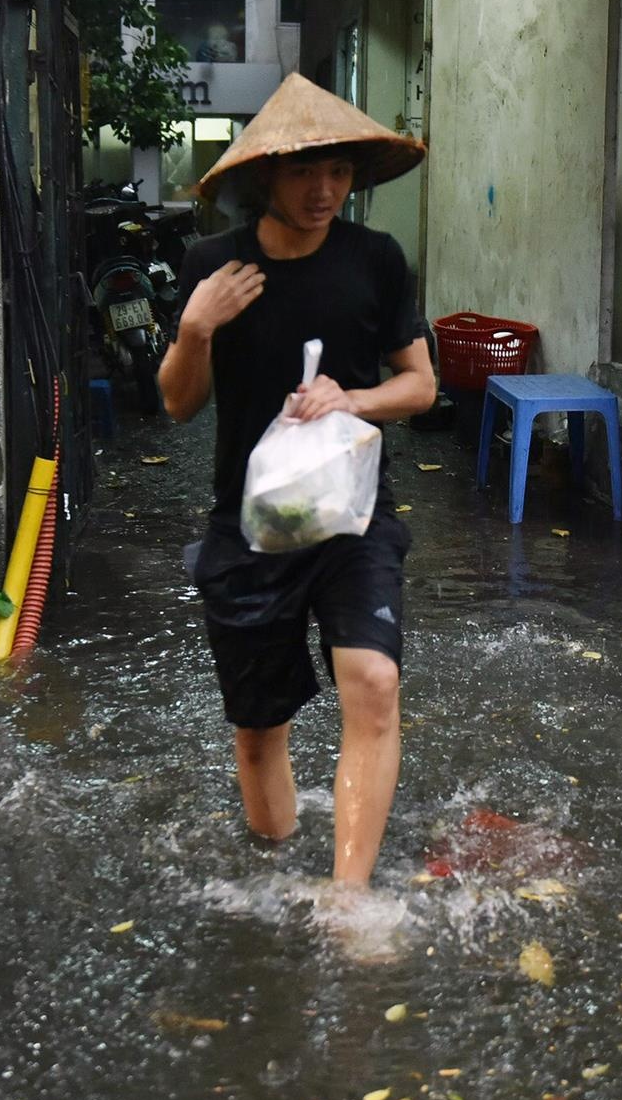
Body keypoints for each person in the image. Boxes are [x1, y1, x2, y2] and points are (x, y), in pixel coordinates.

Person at [159, 73, 435, 890]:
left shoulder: (376, 260)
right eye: (305, 172)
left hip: (353, 513)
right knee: (257, 730)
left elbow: (420, 386)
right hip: (251, 524)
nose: (324, 191)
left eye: (340, 173)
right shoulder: (214, 265)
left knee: (375, 682)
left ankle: (348, 903)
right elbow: (178, 405)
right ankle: (276, 879)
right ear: (265, 178)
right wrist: (195, 326)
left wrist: (351, 398)